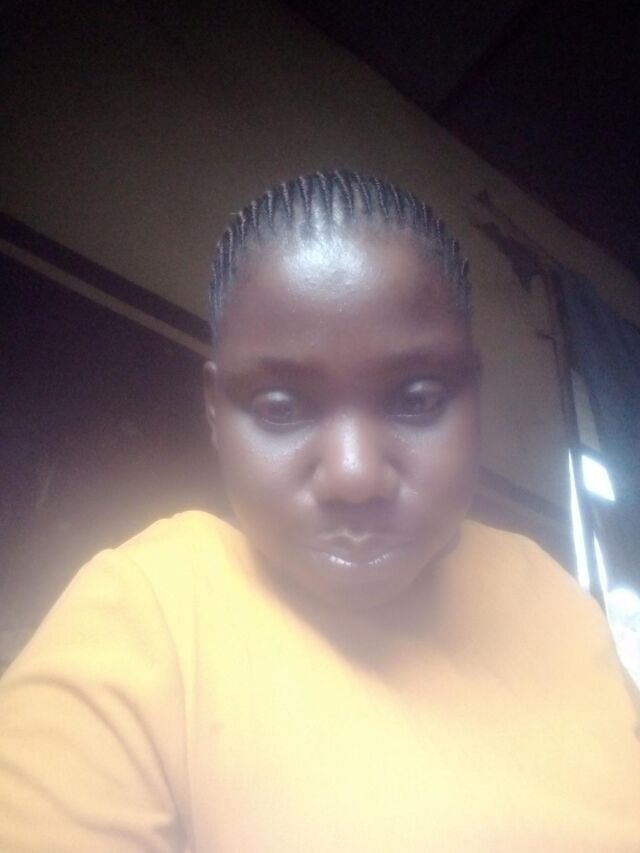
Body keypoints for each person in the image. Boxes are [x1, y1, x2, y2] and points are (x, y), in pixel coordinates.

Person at [0, 170, 638, 852]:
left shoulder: (555, 596)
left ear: (473, 396)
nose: (355, 476)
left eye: (417, 399)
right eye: (281, 408)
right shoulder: (146, 610)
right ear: (215, 411)